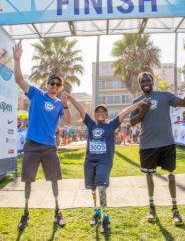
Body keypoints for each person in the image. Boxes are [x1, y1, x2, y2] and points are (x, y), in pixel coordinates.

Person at [67, 94, 148, 234]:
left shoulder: (111, 125)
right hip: (90, 161)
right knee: (92, 187)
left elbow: (125, 111)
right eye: (98, 112)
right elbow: (80, 109)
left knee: (101, 187)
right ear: (94, 114)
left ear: (106, 115)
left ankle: (106, 217)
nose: (100, 114)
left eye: (103, 112)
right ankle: (96, 212)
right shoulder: (91, 124)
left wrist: (139, 104)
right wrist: (70, 98)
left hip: (104, 161)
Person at [13, 43, 71, 230]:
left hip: (49, 147)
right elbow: (19, 79)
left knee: (54, 179)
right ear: (47, 84)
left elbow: (68, 122)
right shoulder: (36, 94)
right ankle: (26, 213)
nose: (54, 86)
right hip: (31, 145)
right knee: (28, 180)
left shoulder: (59, 104)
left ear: (60, 87)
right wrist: (17, 60)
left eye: (57, 84)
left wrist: (67, 104)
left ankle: (57, 211)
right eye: (52, 83)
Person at [130, 71, 185, 226]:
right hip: (147, 145)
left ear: (152, 82)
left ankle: (175, 208)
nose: (145, 82)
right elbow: (132, 122)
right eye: (142, 81)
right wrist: (144, 109)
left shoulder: (165, 96)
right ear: (140, 84)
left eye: (148, 80)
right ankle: (152, 207)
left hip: (166, 142)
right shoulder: (137, 100)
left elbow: (184, 103)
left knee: (171, 175)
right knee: (149, 176)